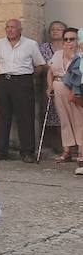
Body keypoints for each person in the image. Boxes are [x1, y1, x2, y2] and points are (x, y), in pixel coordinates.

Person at [0, 18, 47, 162]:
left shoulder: (30, 44)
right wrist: (6, 74)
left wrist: (25, 77)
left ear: (20, 29)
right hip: (3, 81)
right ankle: (0, 151)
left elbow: (39, 65)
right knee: (3, 116)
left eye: (13, 27)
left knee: (25, 117)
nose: (10, 29)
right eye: (7, 27)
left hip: (23, 81)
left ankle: (27, 152)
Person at [49, 26, 83, 170]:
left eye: (72, 39)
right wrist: (49, 86)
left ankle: (81, 151)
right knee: (64, 120)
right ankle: (67, 150)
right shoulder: (57, 54)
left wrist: (72, 56)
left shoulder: (80, 56)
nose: (68, 42)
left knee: (79, 119)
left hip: (73, 90)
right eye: (66, 39)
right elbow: (50, 71)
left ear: (78, 40)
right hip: (58, 87)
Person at [41, 20, 67, 147]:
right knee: (52, 113)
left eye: (58, 29)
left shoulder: (69, 47)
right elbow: (40, 64)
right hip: (49, 84)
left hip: (67, 84)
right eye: (52, 29)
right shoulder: (43, 47)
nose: (55, 31)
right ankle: (58, 144)